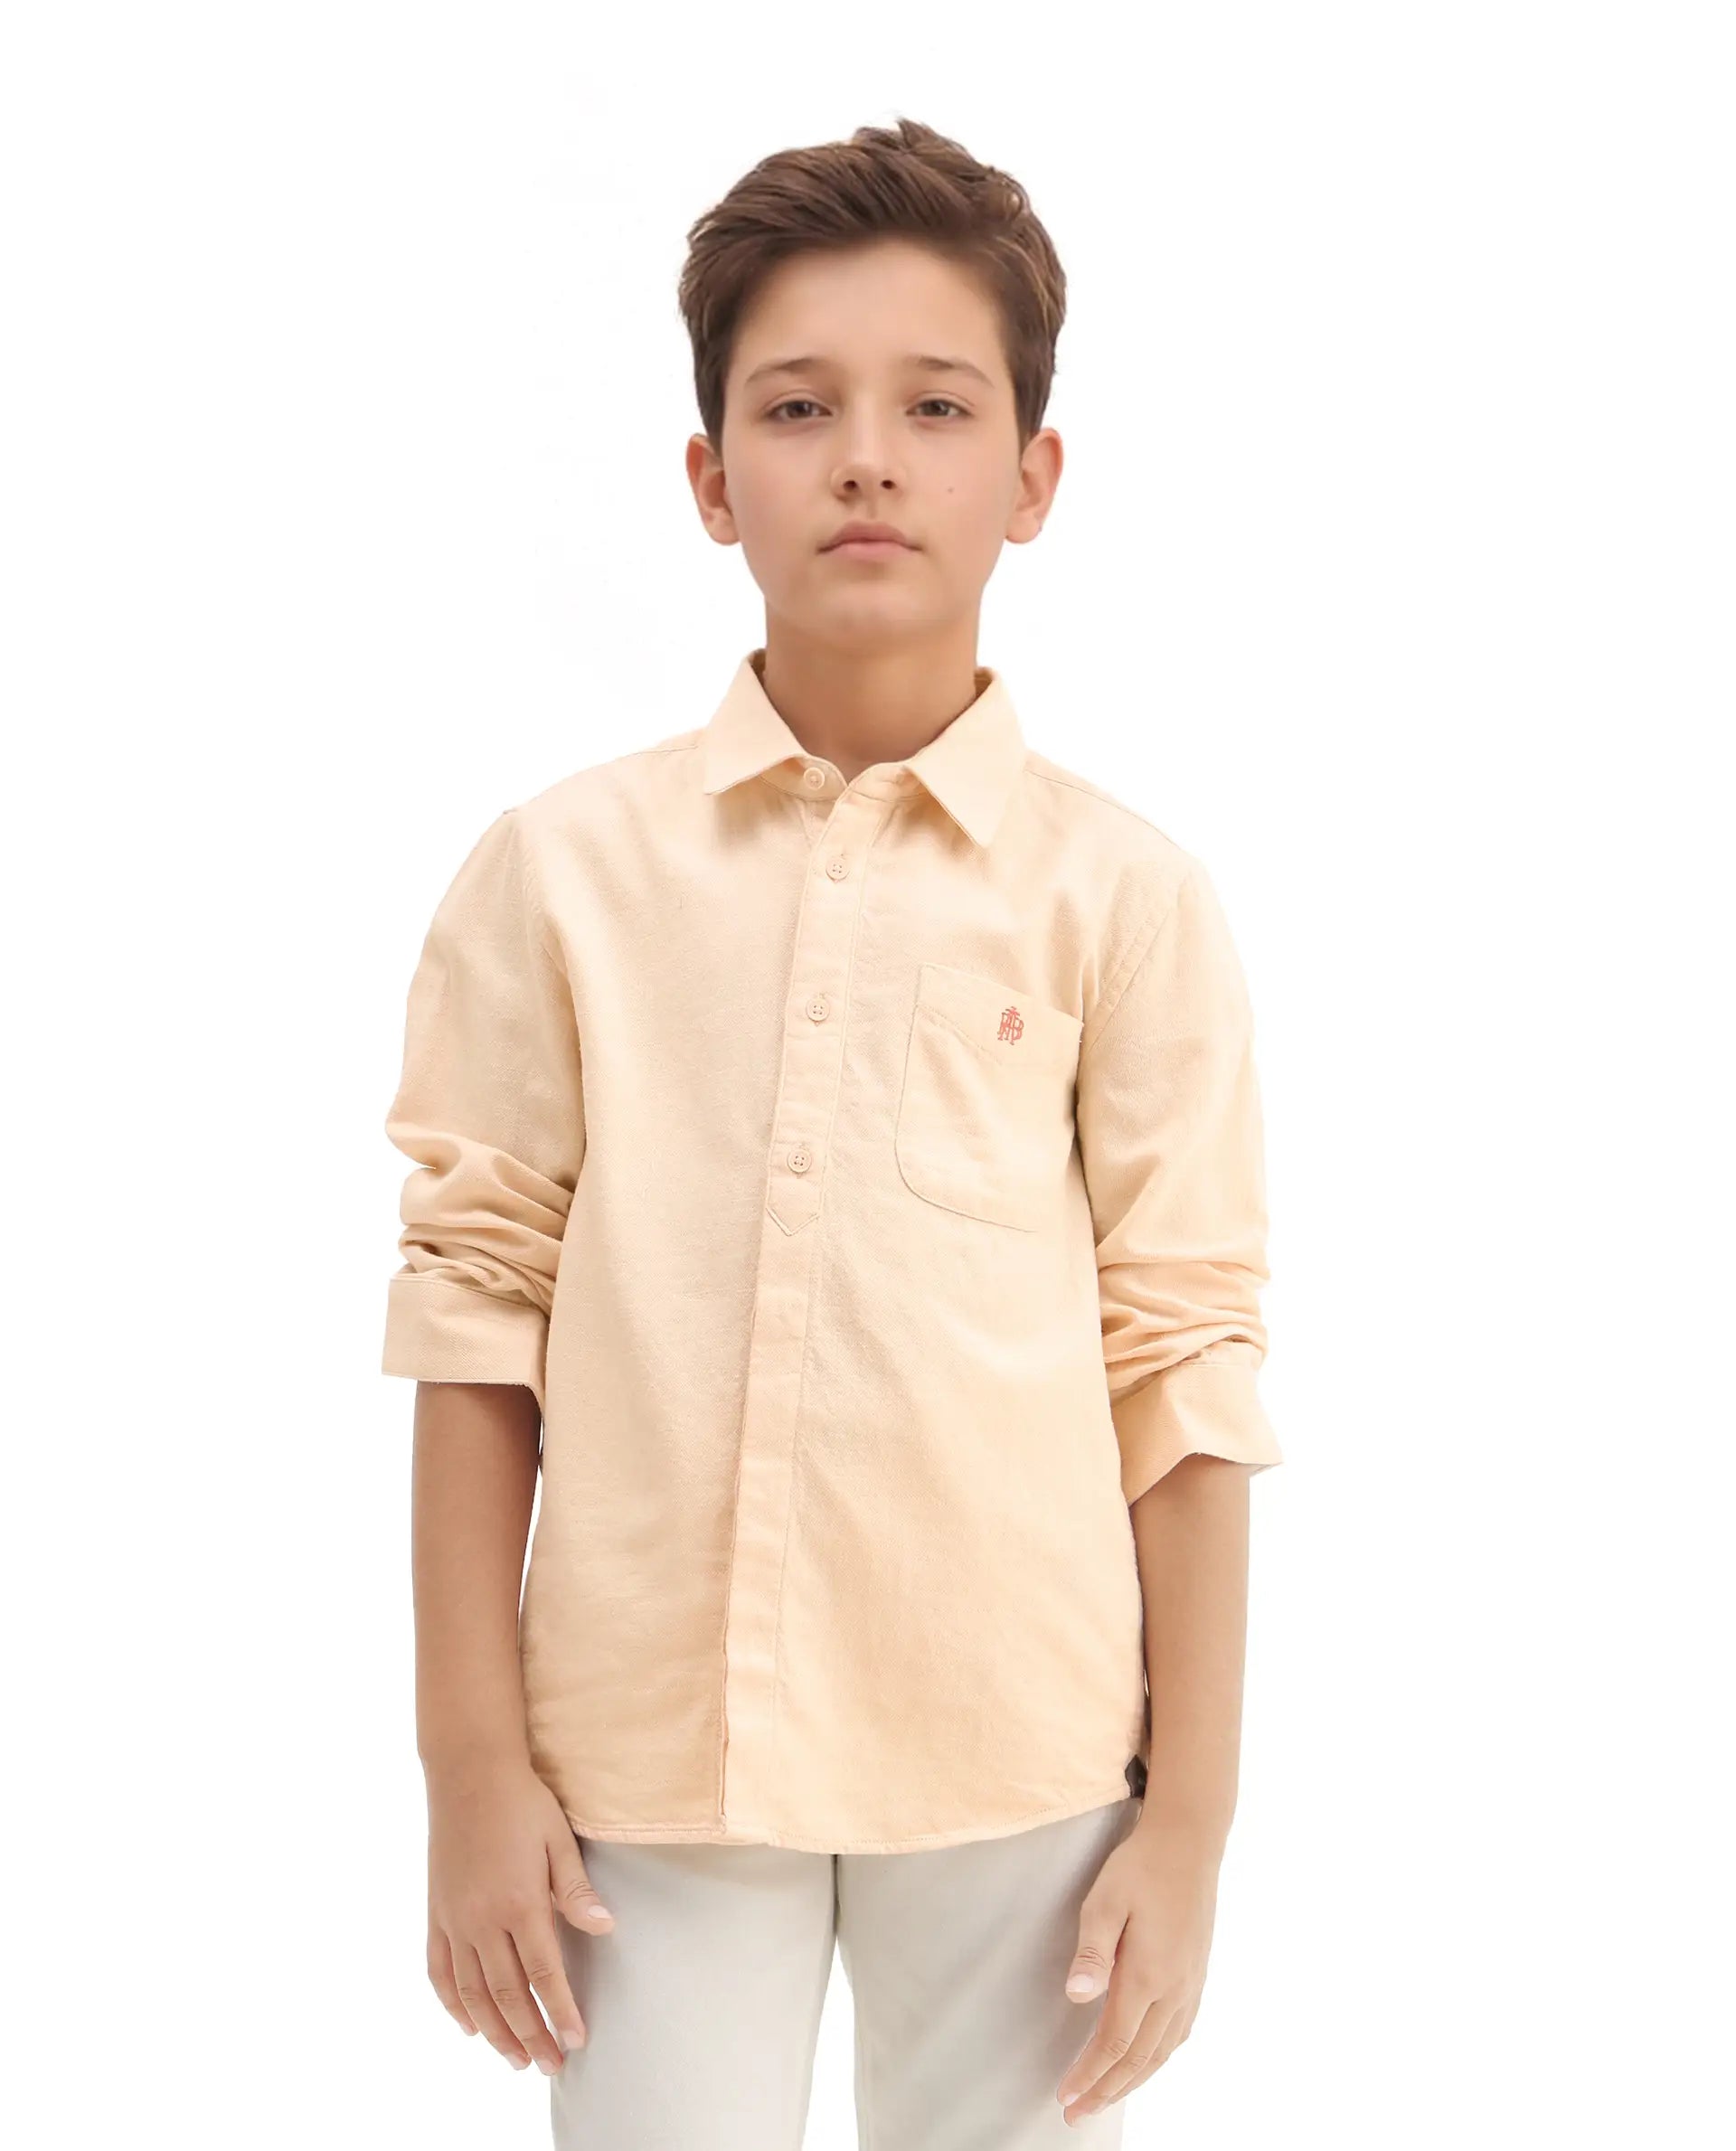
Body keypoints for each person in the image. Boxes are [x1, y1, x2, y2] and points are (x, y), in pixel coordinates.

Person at [381, 115, 1285, 2150]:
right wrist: (469, 1768)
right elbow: (473, 1314)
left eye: (935, 407)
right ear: (713, 479)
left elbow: (1186, 1356)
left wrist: (1195, 1821)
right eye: (799, 408)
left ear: (1031, 478)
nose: (867, 458)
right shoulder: (560, 874)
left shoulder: (1125, 899)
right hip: (640, 1753)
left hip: (1023, 1753)